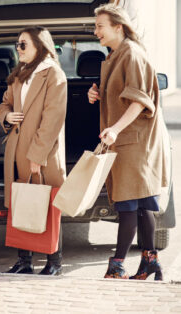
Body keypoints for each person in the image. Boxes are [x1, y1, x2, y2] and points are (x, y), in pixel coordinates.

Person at [88, 4, 168, 280]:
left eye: (100, 25)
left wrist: (114, 129)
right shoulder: (116, 55)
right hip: (129, 140)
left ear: (117, 27)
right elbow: (122, 93)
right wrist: (98, 93)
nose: (95, 30)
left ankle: (117, 265)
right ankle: (150, 262)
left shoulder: (131, 54)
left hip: (136, 141)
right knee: (142, 203)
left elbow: (139, 100)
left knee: (128, 204)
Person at [0, 26, 67, 276]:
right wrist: (7, 115)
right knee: (22, 203)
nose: (18, 49)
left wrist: (37, 156)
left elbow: (53, 119)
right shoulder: (20, 74)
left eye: (23, 44)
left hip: (43, 154)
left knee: (48, 206)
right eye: (17, 44)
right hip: (18, 150)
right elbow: (5, 102)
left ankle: (54, 262)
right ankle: (24, 261)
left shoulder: (54, 74)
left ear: (40, 45)